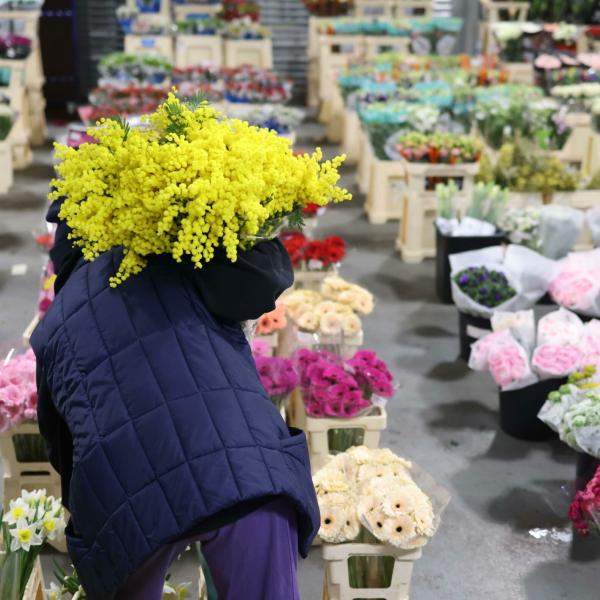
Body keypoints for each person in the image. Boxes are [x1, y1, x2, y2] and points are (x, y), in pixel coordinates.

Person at [31, 199, 320, 600]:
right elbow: (262, 280)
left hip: (127, 499)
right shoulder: (185, 258)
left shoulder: (55, 326)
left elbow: (61, 448)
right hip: (247, 471)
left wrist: (90, 534)